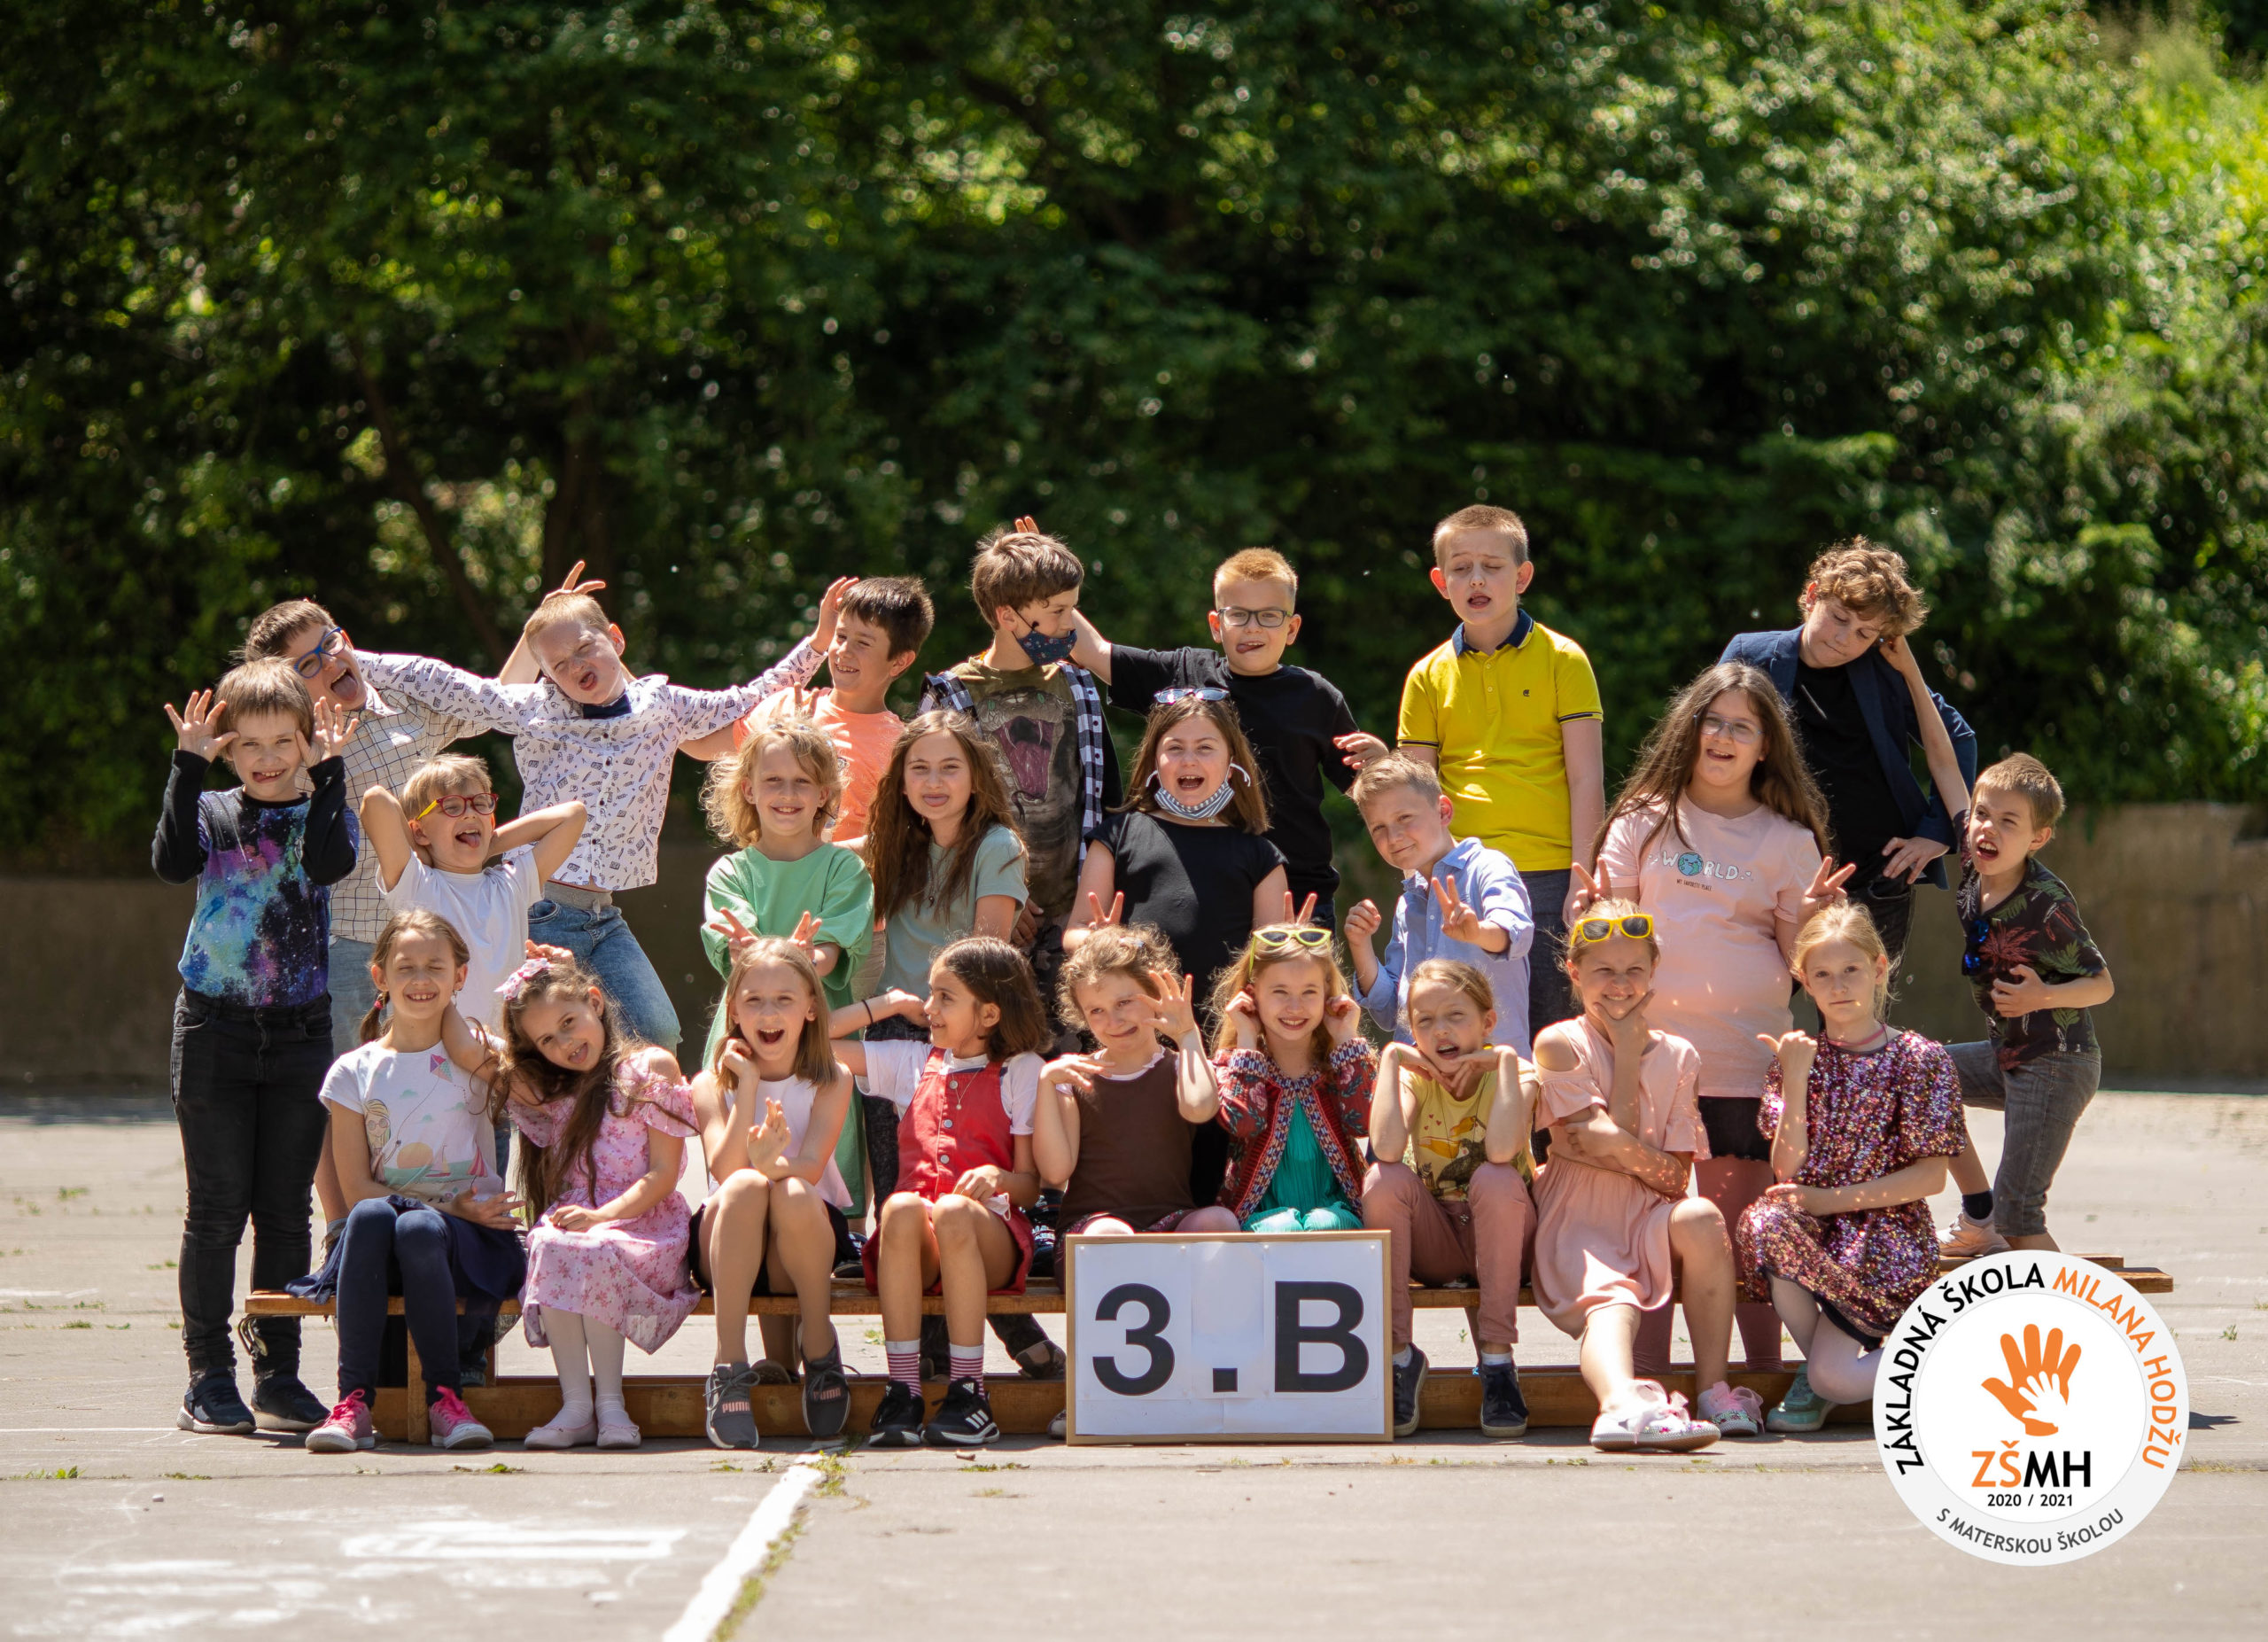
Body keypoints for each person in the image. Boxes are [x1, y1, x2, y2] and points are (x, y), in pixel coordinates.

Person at [351, 579, 845, 1051]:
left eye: (585, 648)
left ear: (616, 640)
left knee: (655, 1029)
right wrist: (353, 661)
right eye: (560, 664)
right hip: (536, 908)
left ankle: (614, 1112)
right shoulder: (538, 708)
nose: (577, 666)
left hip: (602, 912)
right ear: (547, 675)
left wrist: (818, 644)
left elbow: (751, 698)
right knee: (544, 1038)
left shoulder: (663, 705)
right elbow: (445, 683)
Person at [1588, 661, 1851, 1374]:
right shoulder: (1642, 820)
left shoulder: (1788, 839)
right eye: (1714, 720)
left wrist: (1816, 922)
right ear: (1690, 726)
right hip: (1649, 1065)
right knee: (1653, 1235)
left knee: (1747, 1237)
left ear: (1766, 747)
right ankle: (1647, 1384)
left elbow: (1803, 963)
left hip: (1744, 1064)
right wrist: (1591, 916)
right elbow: (1609, 937)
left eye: (1743, 727)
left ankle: (1760, 1380)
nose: (1724, 736)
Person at [154, 661, 360, 1437]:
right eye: (250, 744)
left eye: (284, 742)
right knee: (216, 1210)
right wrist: (186, 766)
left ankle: (278, 1372)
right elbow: (171, 861)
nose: (268, 758)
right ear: (228, 747)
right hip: (216, 1030)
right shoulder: (211, 810)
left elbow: (332, 863)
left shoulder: (323, 809)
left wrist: (331, 774)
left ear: (307, 741)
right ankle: (207, 1376)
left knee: (284, 1212)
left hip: (301, 1031)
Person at [855, 713, 1058, 1379]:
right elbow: (816, 853)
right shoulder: (891, 843)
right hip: (897, 1033)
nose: (934, 781)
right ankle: (926, 1361)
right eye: (919, 768)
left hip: (967, 1035)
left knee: (963, 1202)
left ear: (976, 778)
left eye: (950, 768)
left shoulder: (997, 844)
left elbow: (985, 956)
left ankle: (992, 1341)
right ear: (900, 782)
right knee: (902, 1198)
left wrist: (943, 1013)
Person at [1528, 901, 1753, 1452]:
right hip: (1580, 1220)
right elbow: (1621, 1149)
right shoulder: (1559, 1043)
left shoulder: (1681, 1055)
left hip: (1650, 1213)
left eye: (1634, 970)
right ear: (1575, 972)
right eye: (1604, 971)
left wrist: (1613, 1146)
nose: (1620, 985)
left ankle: (1714, 1391)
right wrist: (1627, 1056)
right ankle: (1620, 1408)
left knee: (1701, 1216)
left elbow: (1675, 1179)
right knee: (1614, 1301)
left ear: (1654, 972)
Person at [1070, 546, 1386, 926]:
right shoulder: (1185, 673)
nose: (1253, 628)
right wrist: (1046, 585)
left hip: (1297, 899)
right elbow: (1094, 651)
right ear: (1216, 625)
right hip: (1202, 891)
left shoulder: (1317, 697)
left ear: (1292, 629)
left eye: (1269, 616)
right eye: (1238, 614)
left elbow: (1372, 792)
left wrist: (1381, 765)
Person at [305, 911, 525, 1454]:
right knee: (374, 1215)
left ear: (460, 976)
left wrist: (464, 1043)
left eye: (435, 967)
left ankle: (446, 1401)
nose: (420, 979)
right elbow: (356, 1189)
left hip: (467, 1245)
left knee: (420, 1230)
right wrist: (453, 1207)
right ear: (379, 977)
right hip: (380, 1242)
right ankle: (352, 1405)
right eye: (406, 968)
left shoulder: (482, 1057)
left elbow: (543, 1095)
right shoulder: (352, 1072)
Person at [1746, 903, 1965, 1432]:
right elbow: (1786, 1170)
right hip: (1818, 1233)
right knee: (1764, 1221)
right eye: (1822, 974)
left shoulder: (1920, 1059)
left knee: (1837, 1380)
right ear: (1804, 982)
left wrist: (1828, 1201)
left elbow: (1930, 1177)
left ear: (1879, 968)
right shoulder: (1797, 1059)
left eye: (1851, 969)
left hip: (1887, 1235)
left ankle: (1959, 1358)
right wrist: (1795, 1079)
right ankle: (1823, 1368)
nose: (1839, 985)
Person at [1066, 692, 1292, 1202]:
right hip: (1133, 1037)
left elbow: (1271, 961)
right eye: (1175, 748)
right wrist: (1100, 939)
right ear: (1154, 760)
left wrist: (1291, 947)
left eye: (1205, 748)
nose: (1189, 760)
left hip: (1219, 1041)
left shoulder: (1260, 854)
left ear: (1232, 763)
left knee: (1210, 1179)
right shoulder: (1118, 834)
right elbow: (1075, 931)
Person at [833, 938, 1052, 1450]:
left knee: (953, 1209)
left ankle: (969, 1392)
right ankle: (903, 1391)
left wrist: (999, 1178)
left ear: (989, 1014)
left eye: (945, 997)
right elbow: (807, 1042)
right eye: (930, 994)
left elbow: (1030, 1187)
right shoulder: (912, 1061)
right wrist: (886, 1004)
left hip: (989, 1241)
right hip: (916, 1250)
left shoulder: (1022, 1069)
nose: (929, 1007)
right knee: (899, 1206)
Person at [1720, 539, 1976, 971]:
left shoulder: (1884, 669)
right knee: (1757, 995)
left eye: (1864, 633)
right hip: (1770, 874)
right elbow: (1706, 743)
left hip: (1877, 878)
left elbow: (1958, 738)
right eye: (1839, 618)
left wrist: (1939, 830)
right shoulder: (1750, 655)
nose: (1844, 639)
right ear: (1813, 595)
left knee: (1859, 1008)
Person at [1396, 504, 1604, 1038]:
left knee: (1554, 1037)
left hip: (1551, 876)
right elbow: (1417, 798)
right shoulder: (1425, 676)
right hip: (1461, 880)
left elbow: (1586, 779)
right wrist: (1421, 883)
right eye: (1461, 568)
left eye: (1492, 566)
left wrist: (1583, 877)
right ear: (1440, 582)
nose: (1477, 579)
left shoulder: (1565, 659)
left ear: (1522, 577)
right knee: (1463, 1037)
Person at [493, 952, 705, 1451]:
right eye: (548, 1040)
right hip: (582, 1220)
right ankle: (576, 1407)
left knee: (593, 1247)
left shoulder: (649, 1066)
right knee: (550, 1242)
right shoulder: (552, 1090)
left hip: (645, 1224)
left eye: (569, 1022)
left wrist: (602, 1216)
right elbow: (473, 1046)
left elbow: (662, 1174)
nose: (566, 1043)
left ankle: (611, 1406)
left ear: (595, 1002)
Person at [919, 521, 1122, 1008]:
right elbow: (931, 810)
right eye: (1057, 612)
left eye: (1072, 608)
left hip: (1073, 915)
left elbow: (1106, 797)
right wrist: (1002, 889)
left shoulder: (1077, 685)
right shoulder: (951, 695)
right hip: (982, 912)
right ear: (1007, 616)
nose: (1070, 625)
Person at [1937, 755, 2115, 1258]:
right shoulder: (1976, 863)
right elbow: (1946, 769)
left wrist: (2042, 997)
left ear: (2038, 838)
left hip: (2057, 1063)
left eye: (2008, 821)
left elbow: (2102, 984)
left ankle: (2071, 1307)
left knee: (2019, 1215)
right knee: (1922, 1072)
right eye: (1981, 814)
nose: (1987, 828)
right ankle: (1978, 1216)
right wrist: (1916, 696)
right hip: (2010, 1054)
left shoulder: (2045, 902)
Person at [687, 938, 857, 1450]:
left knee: (792, 1191)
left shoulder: (832, 1077)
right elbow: (724, 1169)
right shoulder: (710, 1084)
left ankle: (820, 1347)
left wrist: (773, 1165)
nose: (768, 1013)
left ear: (811, 1008)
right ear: (733, 1010)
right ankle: (728, 1365)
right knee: (744, 1184)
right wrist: (749, 1085)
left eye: (784, 999)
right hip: (727, 1248)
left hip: (798, 1249)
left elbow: (811, 1167)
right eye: (754, 1000)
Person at [1363, 960, 1536, 1440]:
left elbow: (1501, 1151)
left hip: (1504, 1238)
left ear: (1487, 1021)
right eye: (1425, 1021)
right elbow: (1387, 1148)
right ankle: (1400, 1358)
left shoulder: (1517, 1072)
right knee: (1383, 1179)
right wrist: (1390, 1061)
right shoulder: (1413, 1075)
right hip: (1439, 1239)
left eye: (1455, 1016)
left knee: (1495, 1178)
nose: (1440, 1031)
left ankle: (1497, 1363)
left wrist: (1504, 1063)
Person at [687, 576, 936, 853]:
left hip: (848, 882)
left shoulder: (901, 747)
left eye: (863, 643)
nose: (844, 651)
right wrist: (645, 695)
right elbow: (699, 743)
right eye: (841, 636)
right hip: (768, 879)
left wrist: (817, 860)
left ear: (900, 661)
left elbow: (905, 839)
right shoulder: (785, 706)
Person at [361, 755, 586, 1033]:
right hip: (432, 1051)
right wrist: (419, 850)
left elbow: (573, 815)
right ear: (419, 830)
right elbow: (376, 800)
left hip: (501, 1050)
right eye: (451, 806)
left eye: (481, 804)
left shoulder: (511, 884)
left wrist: (490, 844)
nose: (470, 814)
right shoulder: (418, 884)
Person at [696, 716, 874, 1050]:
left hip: (817, 1042)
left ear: (823, 794)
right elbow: (740, 957)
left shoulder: (845, 869)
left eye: (802, 781)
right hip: (745, 1043)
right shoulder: (729, 873)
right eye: (773, 780)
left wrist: (807, 960)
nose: (787, 793)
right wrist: (744, 955)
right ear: (749, 790)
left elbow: (829, 955)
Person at [1032, 923, 1218, 1239]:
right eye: (1097, 1010)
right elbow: (1055, 1171)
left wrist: (1188, 1036)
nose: (1114, 1021)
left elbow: (1200, 1108)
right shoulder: (1074, 1076)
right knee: (1110, 1233)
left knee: (1218, 1220)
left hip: (1170, 1222)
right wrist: (1046, 1083)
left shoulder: (1180, 1065)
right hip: (1092, 1226)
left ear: (1156, 993)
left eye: (1124, 1003)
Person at [1188, 926, 1375, 1234]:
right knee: (1282, 1229)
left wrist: (1345, 1039)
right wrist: (1247, 1039)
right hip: (1258, 1216)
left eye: (1309, 992)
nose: (1295, 1007)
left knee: (1324, 1224)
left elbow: (1364, 1124)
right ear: (1252, 995)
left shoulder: (1342, 1062)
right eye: (1280, 992)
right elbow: (1243, 1123)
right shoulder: (1232, 1064)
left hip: (1337, 1211)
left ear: (1327, 995)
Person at [1345, 753, 1536, 1054]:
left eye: (1404, 818)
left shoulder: (1487, 866)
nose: (1393, 837)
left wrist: (1478, 932)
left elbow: (1518, 935)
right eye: (1378, 828)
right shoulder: (1408, 903)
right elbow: (1391, 1012)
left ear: (1443, 811)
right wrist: (1360, 944)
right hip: (1423, 1073)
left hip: (1491, 1069)